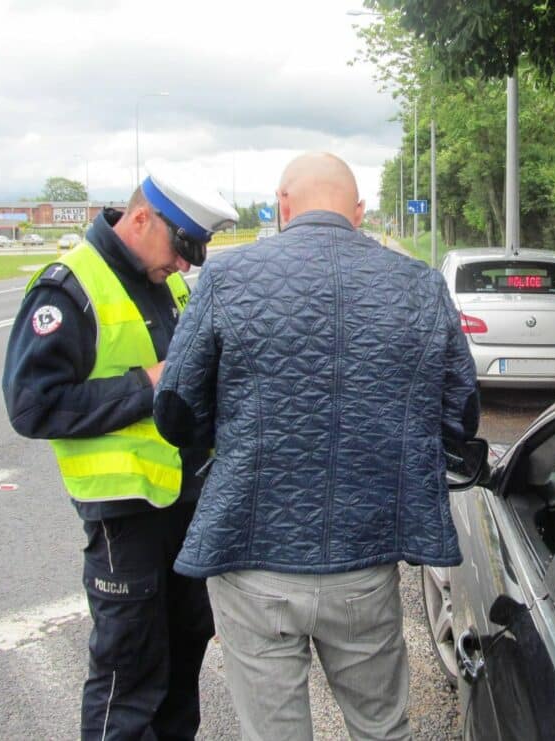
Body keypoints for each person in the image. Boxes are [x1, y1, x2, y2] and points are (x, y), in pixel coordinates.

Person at [154, 151, 479, 741]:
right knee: (382, 728)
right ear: (357, 211)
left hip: (252, 555)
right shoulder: (420, 286)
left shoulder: (227, 278)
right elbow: (459, 415)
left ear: (282, 203)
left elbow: (176, 408)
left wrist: (236, 437)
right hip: (364, 558)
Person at [2, 163, 238, 740]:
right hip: (124, 518)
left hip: (185, 507)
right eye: (182, 246)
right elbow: (33, 406)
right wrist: (147, 383)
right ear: (139, 219)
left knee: (184, 659)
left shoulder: (170, 282)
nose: (186, 264)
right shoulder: (70, 285)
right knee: (129, 675)